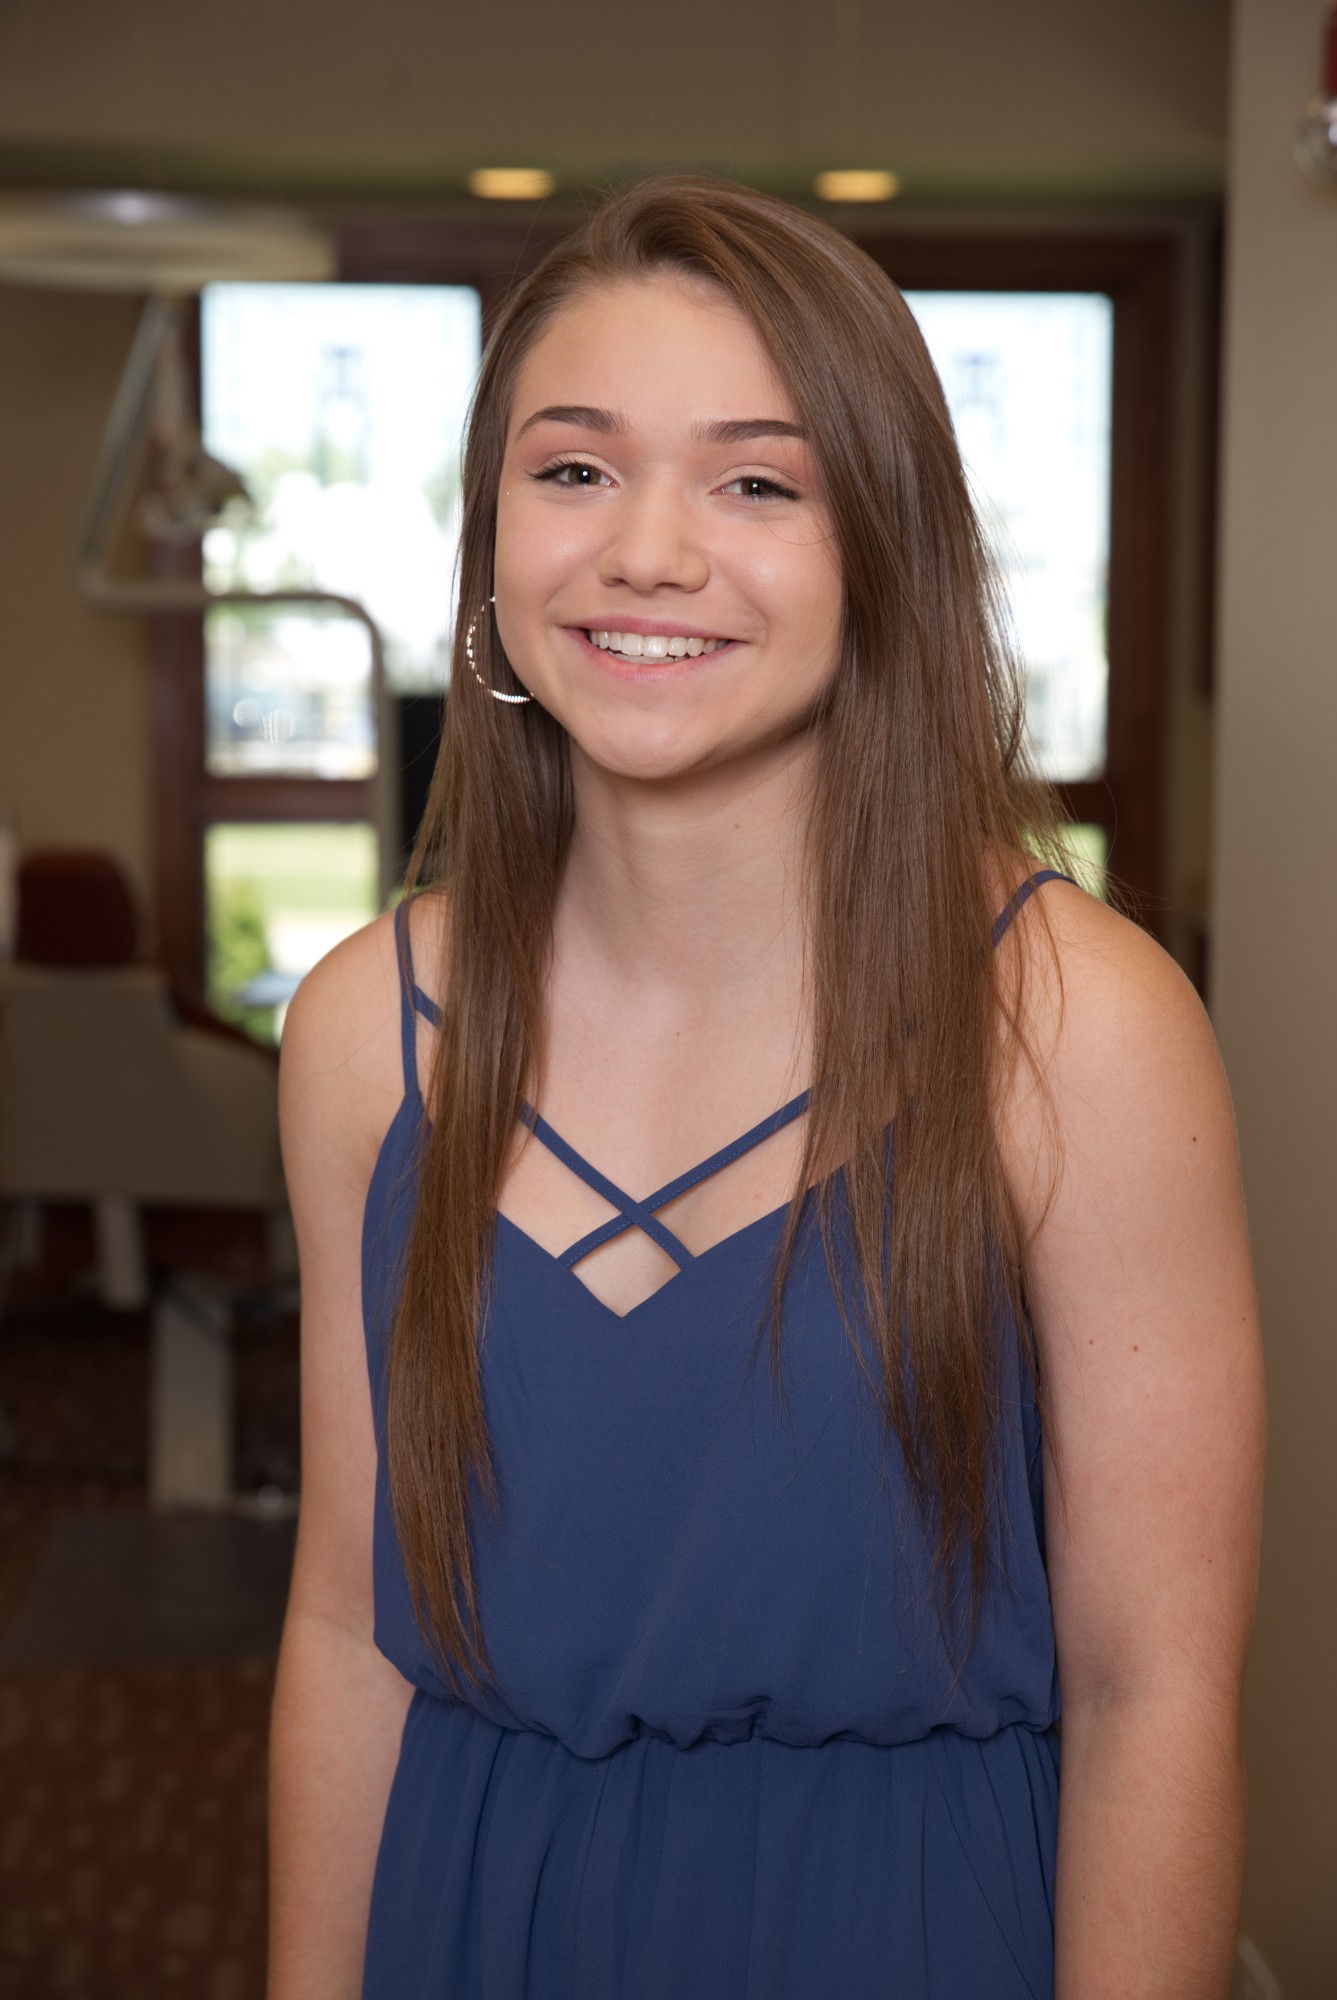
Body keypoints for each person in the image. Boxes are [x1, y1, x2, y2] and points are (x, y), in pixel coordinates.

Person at [268, 178, 1264, 2000]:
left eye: (755, 480)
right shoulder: (367, 1030)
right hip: (470, 1926)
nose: (647, 550)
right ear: (491, 537)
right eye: (572, 470)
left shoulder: (1079, 1030)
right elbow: (349, 1629)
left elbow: (1156, 1695)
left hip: (904, 1936)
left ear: (879, 544)